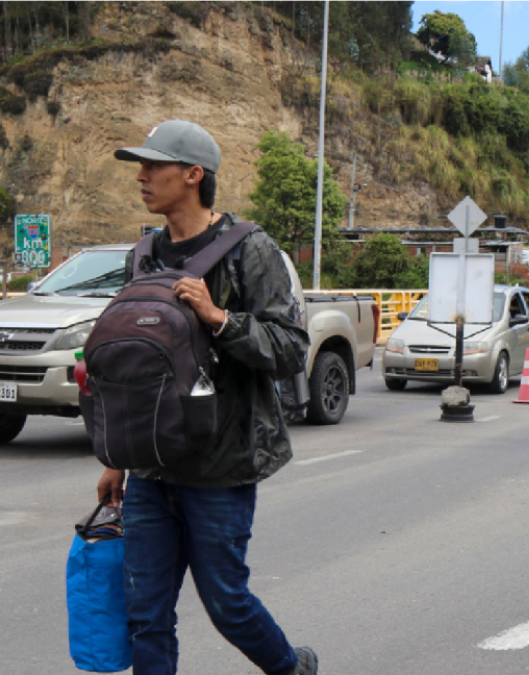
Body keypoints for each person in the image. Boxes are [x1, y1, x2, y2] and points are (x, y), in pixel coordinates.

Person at [95, 121, 318, 675]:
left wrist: (219, 319)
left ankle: (292, 669)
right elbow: (133, 372)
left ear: (193, 175)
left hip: (221, 467)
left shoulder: (250, 250)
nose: (142, 176)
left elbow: (290, 348)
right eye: (140, 166)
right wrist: (116, 461)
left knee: (227, 606)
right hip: (150, 469)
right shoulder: (143, 255)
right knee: (145, 615)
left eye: (154, 166)